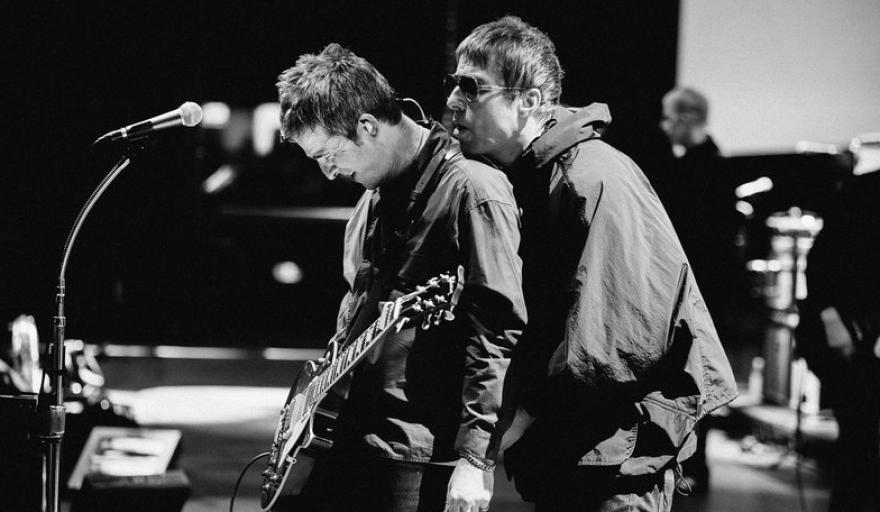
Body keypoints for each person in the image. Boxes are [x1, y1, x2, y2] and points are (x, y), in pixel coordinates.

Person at [445, 16, 738, 511]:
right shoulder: (538, 178)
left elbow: (618, 343)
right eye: (454, 84)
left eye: (473, 87)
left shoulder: (591, 180)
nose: (455, 100)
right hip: (582, 448)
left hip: (614, 462)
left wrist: (509, 427)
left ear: (529, 100)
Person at [274, 43, 526, 512]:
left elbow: (497, 332)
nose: (328, 173)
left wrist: (476, 458)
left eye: (328, 154)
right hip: (349, 435)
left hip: (412, 455)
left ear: (368, 126)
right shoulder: (373, 196)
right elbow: (355, 311)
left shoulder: (472, 190)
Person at [658, 86, 739, 494]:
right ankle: (689, 463)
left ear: (687, 118)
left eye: (669, 117)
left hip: (696, 293)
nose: (664, 126)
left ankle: (691, 465)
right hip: (700, 292)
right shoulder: (707, 165)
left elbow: (701, 244)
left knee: (692, 379)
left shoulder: (704, 170)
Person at [796, 134, 880, 512]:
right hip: (847, 329)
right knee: (858, 437)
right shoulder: (864, 193)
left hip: (858, 329)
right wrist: (835, 323)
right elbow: (822, 264)